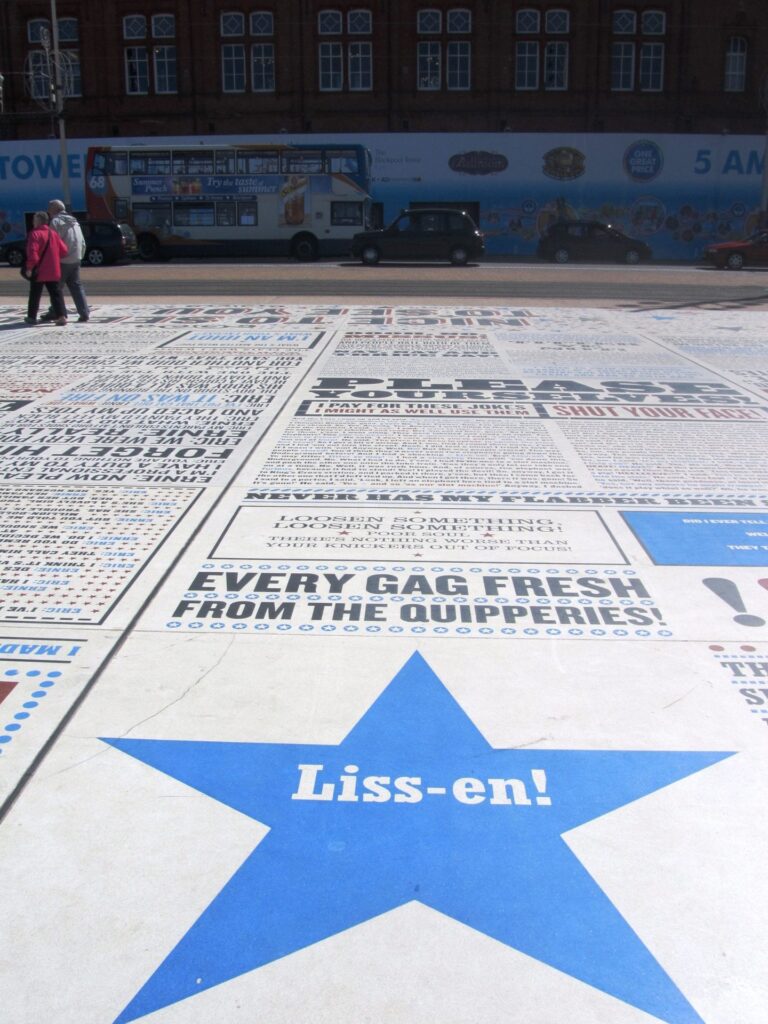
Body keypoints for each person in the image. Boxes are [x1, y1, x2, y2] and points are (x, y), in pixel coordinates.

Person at [40, 198, 90, 323]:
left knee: (56, 288)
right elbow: (82, 241)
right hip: (76, 257)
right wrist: (80, 256)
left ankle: (57, 312)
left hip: (63, 259)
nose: (48, 211)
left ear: (55, 209)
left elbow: (53, 243)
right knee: (76, 286)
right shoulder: (74, 221)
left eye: (49, 208)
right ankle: (84, 312)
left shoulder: (56, 222)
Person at [23, 211, 68, 326]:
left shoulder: (35, 234)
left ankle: (32, 317)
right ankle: (61, 316)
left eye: (34, 219)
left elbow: (33, 253)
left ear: (38, 221)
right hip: (53, 270)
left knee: (35, 294)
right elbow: (64, 251)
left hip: (39, 270)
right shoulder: (53, 233)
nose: (33, 222)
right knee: (56, 294)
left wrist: (29, 268)